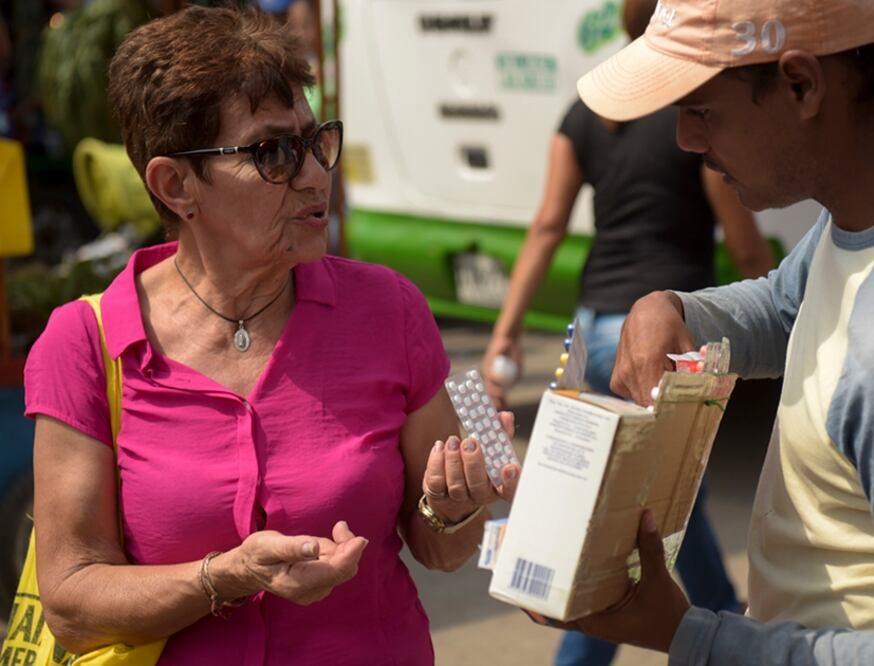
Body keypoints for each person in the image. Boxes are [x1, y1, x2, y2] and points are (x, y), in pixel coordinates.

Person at [527, 0, 874, 664]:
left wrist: (684, 633)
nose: (685, 143)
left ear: (800, 84)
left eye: (700, 112)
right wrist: (675, 309)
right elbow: (794, 304)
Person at [25, 6, 518, 664]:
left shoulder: (389, 308)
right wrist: (225, 576)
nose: (316, 175)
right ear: (176, 186)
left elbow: (441, 548)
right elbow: (72, 603)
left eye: (316, 142)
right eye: (273, 153)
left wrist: (455, 507)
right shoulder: (84, 343)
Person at [483, 2, 773, 664]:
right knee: (644, 523)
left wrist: (505, 330)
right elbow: (746, 245)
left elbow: (547, 224)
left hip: (590, 331)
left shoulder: (587, 110)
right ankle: (721, 628)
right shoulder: (694, 111)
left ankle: (722, 624)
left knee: (641, 516)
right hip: (661, 333)